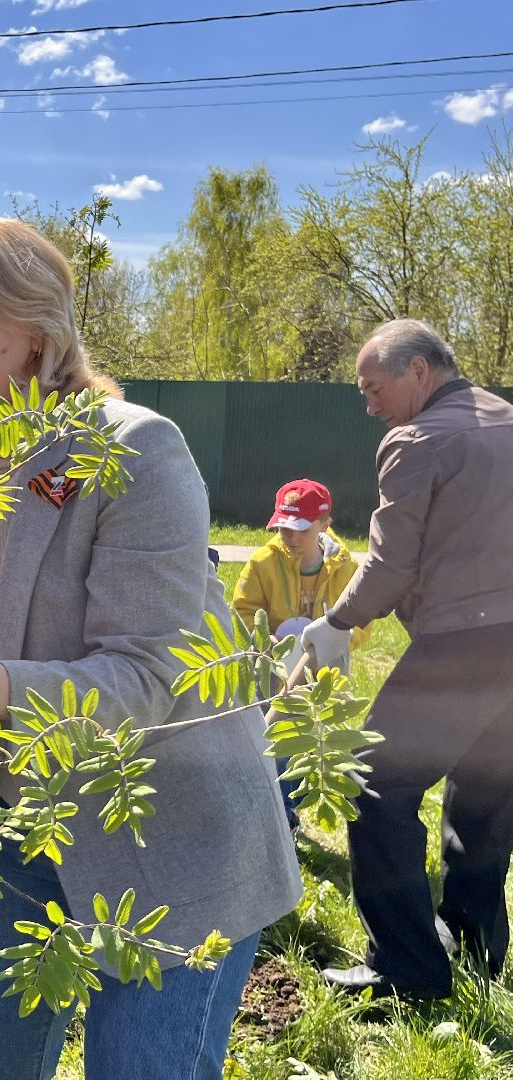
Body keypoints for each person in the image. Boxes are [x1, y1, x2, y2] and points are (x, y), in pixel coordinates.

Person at [0, 218, 301, 1080]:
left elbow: (150, 671)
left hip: (169, 835)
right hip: (14, 826)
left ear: (38, 325)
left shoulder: (132, 449)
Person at [302, 319, 513, 1000]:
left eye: (373, 388)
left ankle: (406, 967)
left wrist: (335, 623)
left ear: (419, 370)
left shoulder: (418, 438)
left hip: (464, 642)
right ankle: (474, 945)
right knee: (485, 789)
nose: (369, 405)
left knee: (375, 785)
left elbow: (392, 566)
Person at [234, 478, 369, 827]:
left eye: (300, 529)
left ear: (325, 524)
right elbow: (242, 610)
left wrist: (334, 643)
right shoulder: (264, 562)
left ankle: (297, 806)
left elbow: (362, 620)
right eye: (283, 528)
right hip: (272, 667)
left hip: (321, 669)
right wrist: (263, 638)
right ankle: (277, 815)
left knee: (309, 738)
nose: (290, 537)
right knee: (274, 732)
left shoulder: (345, 568)